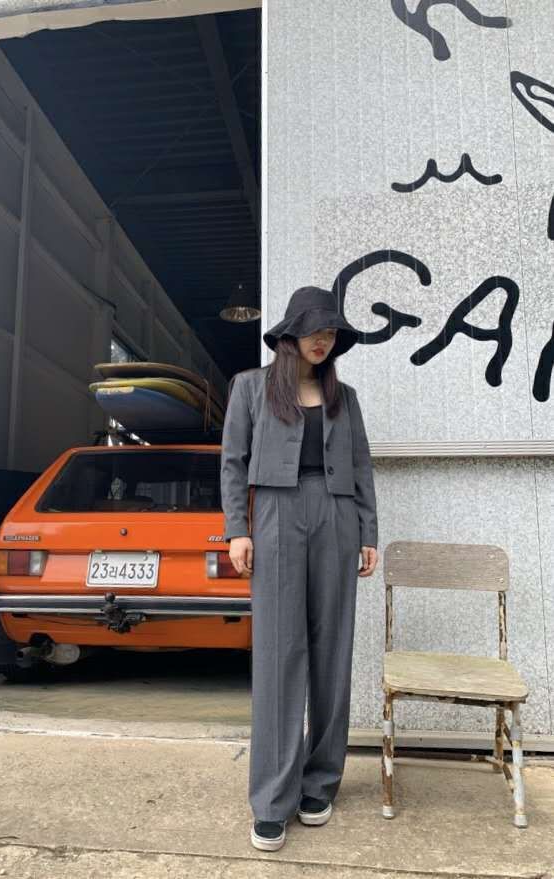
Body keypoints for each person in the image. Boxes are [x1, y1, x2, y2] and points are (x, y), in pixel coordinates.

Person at [219, 285, 379, 852]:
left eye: (330, 333)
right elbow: (233, 461)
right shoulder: (250, 387)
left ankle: (320, 781)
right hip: (276, 515)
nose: (322, 340)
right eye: (314, 331)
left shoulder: (345, 397)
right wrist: (237, 529)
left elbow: (361, 466)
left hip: (336, 515)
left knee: (332, 649)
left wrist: (368, 533)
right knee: (279, 652)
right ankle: (271, 799)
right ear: (290, 335)